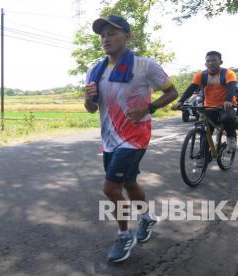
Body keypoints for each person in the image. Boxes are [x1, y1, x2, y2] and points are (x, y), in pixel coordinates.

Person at [84, 15, 178, 262]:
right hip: (110, 139)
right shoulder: (95, 71)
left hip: (135, 137)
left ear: (127, 35)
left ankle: (124, 236)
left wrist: (149, 108)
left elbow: (172, 92)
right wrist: (87, 98)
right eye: (103, 34)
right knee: (128, 183)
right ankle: (147, 219)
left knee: (110, 187)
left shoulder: (144, 66)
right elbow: (91, 109)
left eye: (112, 33)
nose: (106, 38)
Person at [172, 51, 238, 156]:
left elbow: (232, 87)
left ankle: (231, 140)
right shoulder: (201, 74)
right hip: (209, 106)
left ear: (220, 62)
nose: (211, 63)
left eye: (214, 60)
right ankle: (203, 154)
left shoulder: (228, 73)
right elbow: (191, 88)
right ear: (205, 63)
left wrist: (228, 100)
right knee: (205, 129)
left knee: (227, 119)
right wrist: (180, 101)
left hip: (226, 105)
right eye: (208, 61)